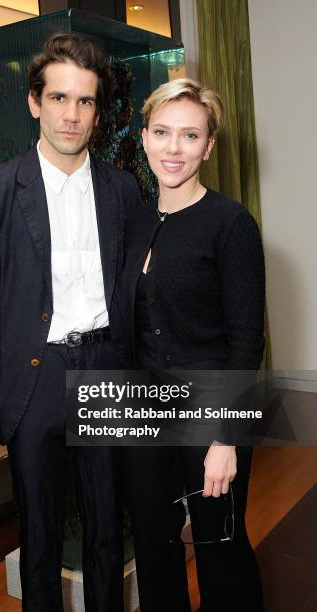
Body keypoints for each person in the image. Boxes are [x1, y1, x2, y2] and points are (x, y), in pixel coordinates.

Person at [0, 32, 142, 612]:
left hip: (105, 369)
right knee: (38, 535)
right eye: (59, 98)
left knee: (108, 528)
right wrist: (19, 364)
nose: (71, 114)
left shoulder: (123, 189)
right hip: (36, 376)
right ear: (35, 102)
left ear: (97, 112)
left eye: (84, 101)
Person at [120, 78, 265, 611]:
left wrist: (225, 440)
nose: (173, 148)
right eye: (162, 132)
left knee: (219, 550)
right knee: (156, 553)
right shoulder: (133, 225)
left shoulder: (231, 224)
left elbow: (248, 341)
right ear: (144, 137)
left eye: (189, 135)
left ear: (208, 146)